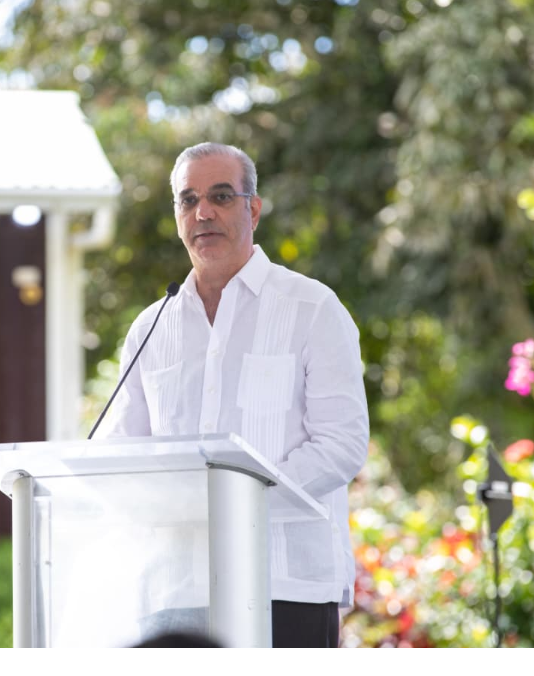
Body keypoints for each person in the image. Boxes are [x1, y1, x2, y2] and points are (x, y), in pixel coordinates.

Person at [95, 142, 369, 648]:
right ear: (177, 217)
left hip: (284, 587)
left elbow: (341, 444)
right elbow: (121, 455)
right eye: (188, 199)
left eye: (221, 196)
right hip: (175, 591)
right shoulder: (151, 327)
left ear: (254, 209)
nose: (203, 212)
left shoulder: (313, 308)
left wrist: (236, 504)